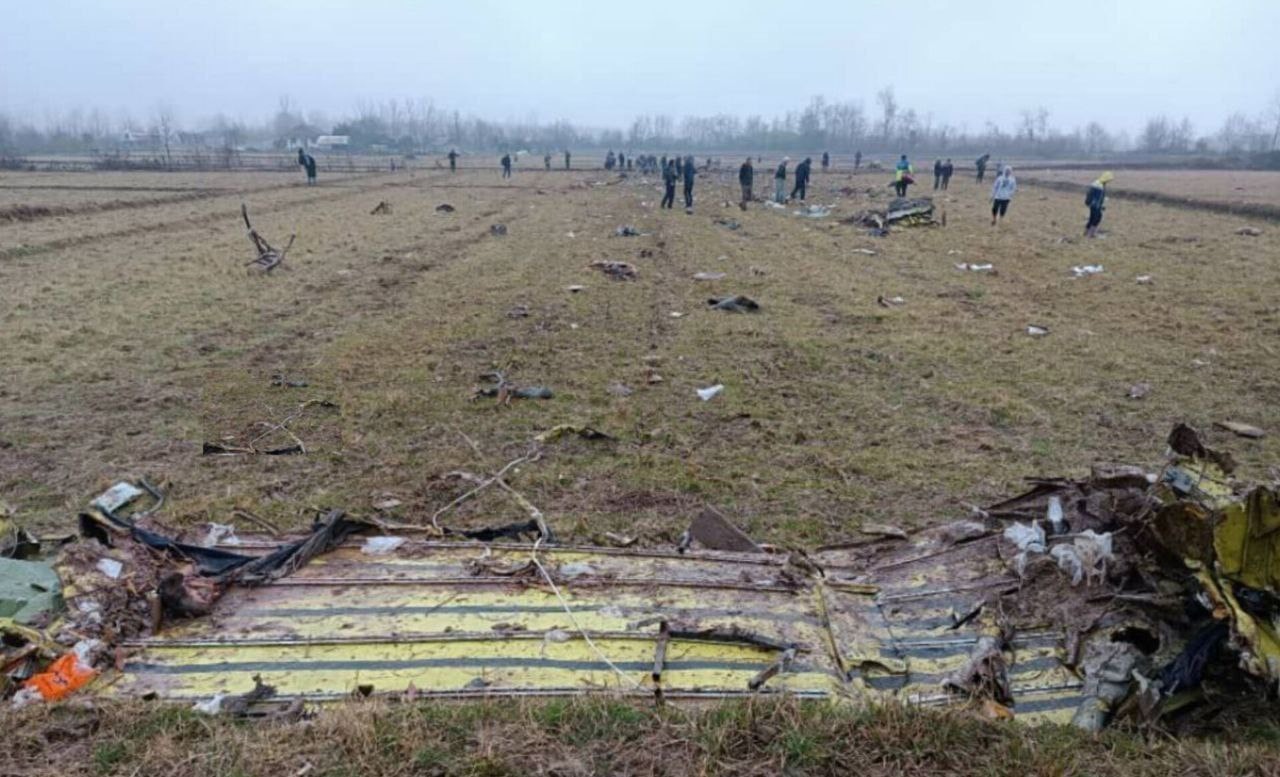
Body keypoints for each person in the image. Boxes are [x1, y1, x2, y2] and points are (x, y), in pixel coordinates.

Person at [1084, 171, 1113, 238]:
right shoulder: (1100, 186)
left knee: (1092, 218)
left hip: (1091, 204)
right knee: (1097, 218)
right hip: (1095, 205)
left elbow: (1091, 195)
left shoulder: (1096, 182)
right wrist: (1101, 206)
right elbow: (1098, 199)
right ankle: (1090, 234)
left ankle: (1086, 232)